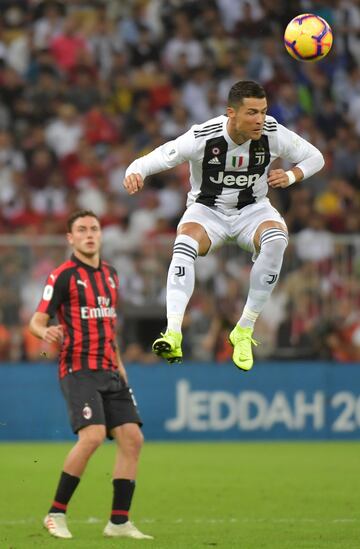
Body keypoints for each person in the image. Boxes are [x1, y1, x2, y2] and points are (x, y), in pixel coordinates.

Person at [124, 80, 324, 370]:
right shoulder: (203, 136)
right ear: (232, 113)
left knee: (278, 239)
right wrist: (135, 170)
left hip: (252, 210)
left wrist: (292, 176)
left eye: (264, 111)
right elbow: (160, 156)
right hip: (208, 211)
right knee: (184, 243)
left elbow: (315, 157)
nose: (260, 120)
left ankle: (243, 329)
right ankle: (173, 331)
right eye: (252, 113)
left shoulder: (272, 132)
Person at [29, 210, 153, 541]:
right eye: (81, 230)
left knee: (132, 438)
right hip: (78, 368)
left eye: (94, 229)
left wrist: (120, 365)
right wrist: (46, 332)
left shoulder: (111, 275)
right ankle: (55, 513)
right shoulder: (63, 276)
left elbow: (108, 326)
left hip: (109, 368)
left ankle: (119, 521)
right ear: (70, 238)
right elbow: (37, 320)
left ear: (100, 235)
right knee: (94, 435)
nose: (89, 234)